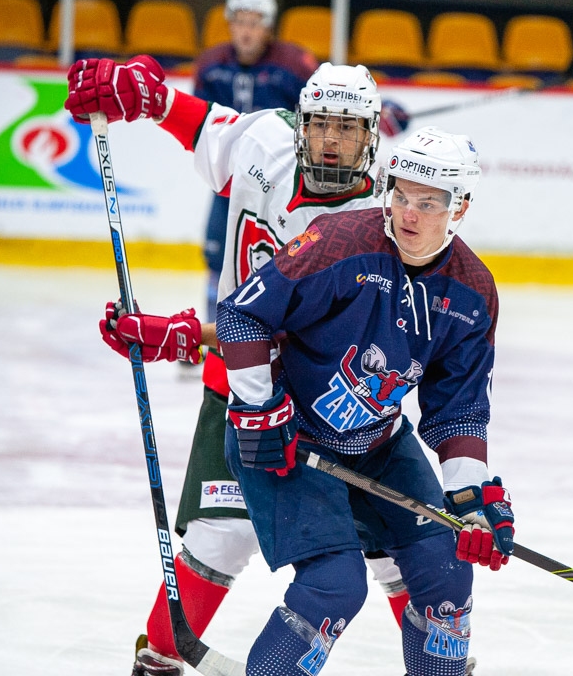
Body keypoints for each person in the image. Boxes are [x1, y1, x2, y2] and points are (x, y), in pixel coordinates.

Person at [64, 55, 413, 674]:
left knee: (390, 542)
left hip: (331, 403)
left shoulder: (374, 229)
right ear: (300, 122)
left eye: (348, 127)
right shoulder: (266, 138)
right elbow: (208, 133)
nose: (330, 141)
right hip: (236, 394)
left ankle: (440, 661)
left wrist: (184, 337)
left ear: (371, 136)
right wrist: (148, 98)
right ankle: (160, 662)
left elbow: (304, 346)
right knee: (215, 538)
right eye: (320, 124)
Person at [213, 126, 515, 675]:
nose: (409, 214)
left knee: (448, 573)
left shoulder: (472, 291)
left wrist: (472, 499)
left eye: (429, 202)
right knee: (334, 586)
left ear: (461, 207)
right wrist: (258, 410)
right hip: (288, 436)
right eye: (400, 195)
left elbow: (459, 408)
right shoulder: (338, 242)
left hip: (377, 442)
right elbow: (241, 313)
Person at [193, 0, 317, 322]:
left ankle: (276, 337)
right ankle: (213, 334)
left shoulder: (295, 64)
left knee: (282, 259)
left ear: (268, 27)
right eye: (240, 22)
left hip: (280, 185)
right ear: (230, 24)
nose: (246, 32)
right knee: (217, 258)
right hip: (229, 181)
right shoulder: (211, 66)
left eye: (254, 23)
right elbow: (200, 125)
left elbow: (321, 113)